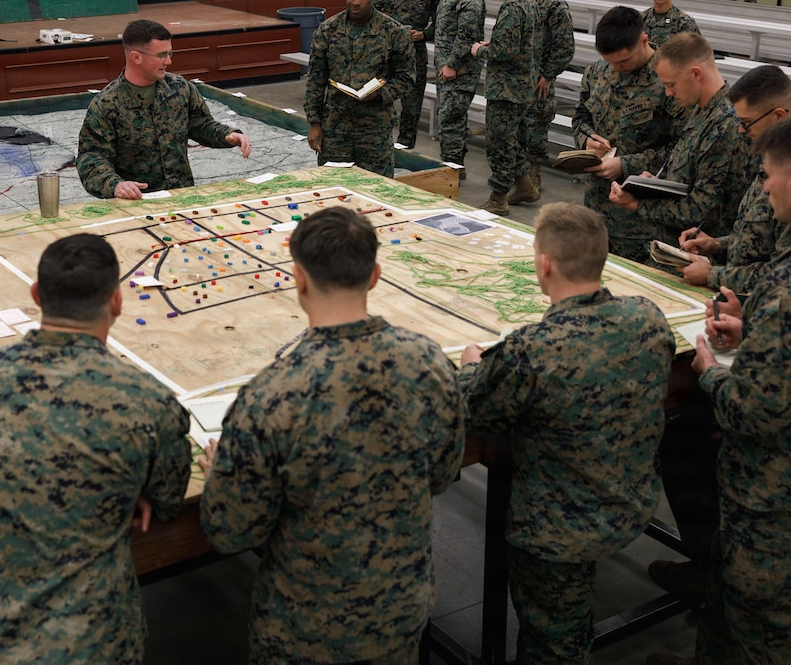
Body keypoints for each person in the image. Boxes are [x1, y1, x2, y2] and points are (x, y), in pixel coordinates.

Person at [198, 206, 465, 664]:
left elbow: (231, 531)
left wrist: (222, 476)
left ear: (299, 279)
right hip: (399, 615)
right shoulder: (430, 363)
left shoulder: (272, 395)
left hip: (304, 632)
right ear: (375, 276)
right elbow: (442, 474)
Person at [0, 233, 192, 663]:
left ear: (36, 295)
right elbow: (169, 500)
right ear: (117, 302)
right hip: (92, 645)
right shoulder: (147, 403)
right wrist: (125, 487)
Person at [459, 202, 675, 664]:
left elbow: (474, 411)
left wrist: (473, 367)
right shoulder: (648, 317)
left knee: (553, 647)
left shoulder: (532, 350)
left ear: (544, 264)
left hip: (556, 535)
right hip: (632, 502)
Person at [648, 119, 791, 665]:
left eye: (770, 174)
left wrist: (710, 370)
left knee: (757, 621)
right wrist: (753, 332)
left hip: (770, 498)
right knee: (728, 606)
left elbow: (753, 412)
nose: (765, 185)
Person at [78, 20, 251, 199]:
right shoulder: (106, 104)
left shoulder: (180, 88)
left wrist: (228, 135)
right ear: (136, 57)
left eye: (170, 53)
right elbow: (91, 158)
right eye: (161, 55)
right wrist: (115, 185)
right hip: (136, 202)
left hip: (181, 197)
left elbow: (201, 125)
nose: (169, 61)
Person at [609, 32, 750, 250]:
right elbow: (689, 175)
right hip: (680, 247)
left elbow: (700, 210)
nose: (668, 93)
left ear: (696, 74)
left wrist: (637, 204)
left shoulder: (725, 125)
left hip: (698, 253)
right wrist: (657, 183)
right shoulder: (703, 110)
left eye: (671, 84)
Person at [572, 6, 680, 262]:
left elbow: (682, 148)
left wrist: (626, 164)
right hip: (596, 211)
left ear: (643, 40)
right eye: (610, 62)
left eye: (623, 61)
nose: (617, 68)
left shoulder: (668, 80)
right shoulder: (597, 72)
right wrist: (587, 139)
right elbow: (581, 117)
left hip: (642, 222)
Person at [677, 64, 791, 292]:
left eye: (746, 123)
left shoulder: (786, 174)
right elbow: (763, 238)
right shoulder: (769, 156)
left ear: (778, 116)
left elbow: (782, 275)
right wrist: (717, 244)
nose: (740, 130)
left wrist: (712, 275)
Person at [304, 0, 415, 178]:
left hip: (375, 129)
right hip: (336, 128)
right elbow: (315, 80)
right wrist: (314, 123)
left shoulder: (394, 32)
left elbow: (406, 78)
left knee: (377, 187)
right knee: (334, 185)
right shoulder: (328, 30)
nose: (356, 2)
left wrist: (380, 94)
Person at [471, 0, 538, 216]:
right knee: (510, 140)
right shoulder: (527, 1)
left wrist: (479, 50)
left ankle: (498, 198)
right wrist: (496, 43)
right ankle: (524, 185)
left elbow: (504, 51)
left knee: (499, 142)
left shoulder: (513, 7)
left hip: (506, 89)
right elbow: (519, 43)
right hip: (520, 85)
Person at [514, 0, 575, 203]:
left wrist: (548, 76)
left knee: (536, 129)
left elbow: (565, 47)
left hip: (540, 78)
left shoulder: (554, 5)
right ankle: (520, 178)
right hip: (519, 76)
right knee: (518, 128)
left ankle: (534, 175)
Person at [375, 0, 443, 148]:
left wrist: (424, 34)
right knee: (380, 102)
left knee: (411, 109)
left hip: (414, 56)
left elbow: (442, 24)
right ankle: (379, 146)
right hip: (386, 55)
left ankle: (405, 149)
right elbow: (371, 17)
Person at [432, 0, 486, 174]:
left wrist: (452, 64)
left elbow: (466, 36)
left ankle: (450, 172)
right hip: (447, 68)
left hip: (459, 70)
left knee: (450, 121)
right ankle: (456, 167)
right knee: (453, 119)